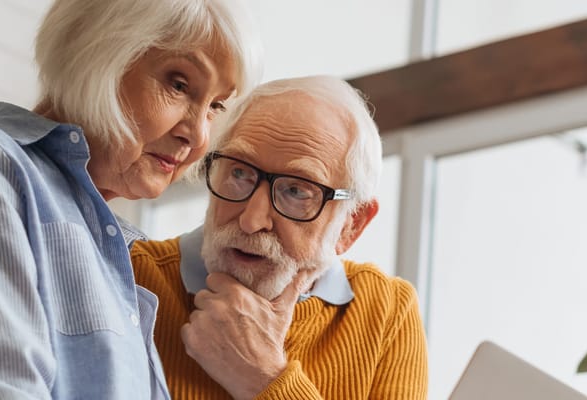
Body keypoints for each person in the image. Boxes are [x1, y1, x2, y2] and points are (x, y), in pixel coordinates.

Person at [0, 0, 261, 398]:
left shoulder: (114, 246)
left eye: (215, 107)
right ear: (98, 53)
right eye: (180, 84)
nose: (199, 135)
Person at [131, 76, 428, 399]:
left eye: (297, 191)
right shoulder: (131, 273)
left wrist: (264, 377)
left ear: (351, 225)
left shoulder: (387, 311)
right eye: (239, 173)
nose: (250, 220)